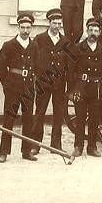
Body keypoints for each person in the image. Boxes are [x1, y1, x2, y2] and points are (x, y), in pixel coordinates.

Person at [0, 12, 38, 162]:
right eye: (23, 27)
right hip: (13, 86)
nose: (26, 31)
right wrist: (6, 85)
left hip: (28, 88)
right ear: (18, 27)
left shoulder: (34, 46)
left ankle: (26, 151)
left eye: (28, 28)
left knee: (28, 119)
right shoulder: (9, 45)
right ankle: (3, 152)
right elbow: (0, 67)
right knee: (8, 119)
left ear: (31, 28)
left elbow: (38, 66)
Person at [68, 18, 102, 158]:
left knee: (94, 119)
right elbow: (71, 71)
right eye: (91, 30)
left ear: (99, 33)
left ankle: (92, 147)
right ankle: (78, 146)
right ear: (87, 31)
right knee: (80, 119)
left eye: (96, 31)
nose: (93, 33)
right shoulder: (78, 48)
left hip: (96, 88)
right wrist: (73, 89)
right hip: (81, 87)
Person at [30, 8, 71, 153]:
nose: (57, 26)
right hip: (43, 83)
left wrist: (68, 84)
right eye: (54, 23)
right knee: (39, 112)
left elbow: (69, 64)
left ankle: (56, 145)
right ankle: (35, 144)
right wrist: (36, 76)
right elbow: (32, 59)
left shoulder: (65, 41)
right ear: (49, 23)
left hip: (59, 84)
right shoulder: (39, 39)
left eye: (59, 23)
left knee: (58, 114)